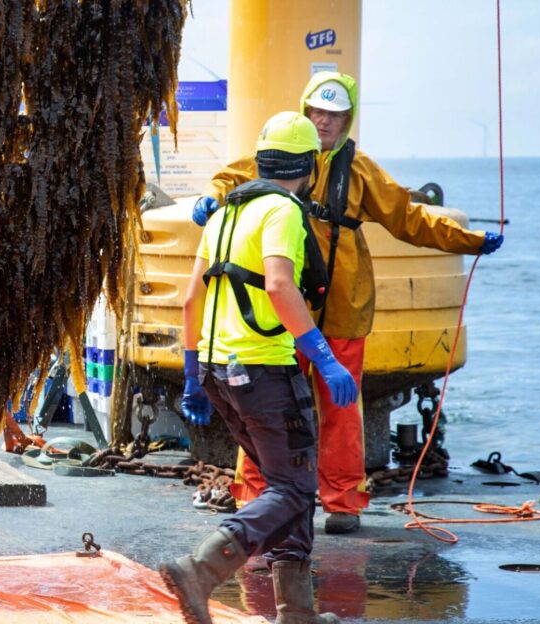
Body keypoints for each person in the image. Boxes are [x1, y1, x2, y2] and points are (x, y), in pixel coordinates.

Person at [191, 72, 503, 535]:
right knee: (269, 410)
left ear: (347, 119)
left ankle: (343, 502)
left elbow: (410, 218)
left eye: (334, 115)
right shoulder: (279, 154)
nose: (323, 122)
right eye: (316, 112)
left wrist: (469, 241)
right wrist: (208, 198)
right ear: (304, 111)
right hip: (284, 313)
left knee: (342, 411)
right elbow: (228, 180)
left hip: (343, 308)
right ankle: (254, 498)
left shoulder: (362, 172)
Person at [162, 111, 353, 624]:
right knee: (293, 489)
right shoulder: (283, 211)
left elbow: (189, 301)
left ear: (261, 159)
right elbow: (278, 285)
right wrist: (324, 355)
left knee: (284, 484)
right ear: (310, 165)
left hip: (218, 372)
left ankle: (297, 614)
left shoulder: (225, 213)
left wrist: (191, 375)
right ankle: (200, 569)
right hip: (265, 371)